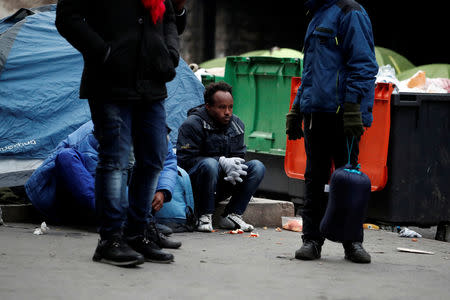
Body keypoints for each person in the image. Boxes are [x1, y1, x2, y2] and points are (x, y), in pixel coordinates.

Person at [55, 0, 180, 266]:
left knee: (154, 158)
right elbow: (67, 18)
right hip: (109, 82)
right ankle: (110, 239)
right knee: (115, 161)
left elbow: (170, 18)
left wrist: (170, 53)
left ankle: (137, 233)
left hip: (152, 81)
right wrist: (104, 52)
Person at [286, 0, 378, 263]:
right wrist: (297, 109)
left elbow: (363, 64)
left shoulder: (351, 12)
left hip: (342, 114)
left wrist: (352, 107)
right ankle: (312, 240)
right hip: (316, 114)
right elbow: (311, 72)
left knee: (348, 177)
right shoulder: (316, 14)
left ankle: (353, 243)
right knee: (314, 179)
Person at [24, 121, 182, 253]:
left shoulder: (153, 129)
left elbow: (168, 162)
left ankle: (138, 223)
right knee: (66, 156)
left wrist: (163, 190)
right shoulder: (97, 133)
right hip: (66, 197)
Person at [176, 82, 265, 232]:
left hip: (223, 182)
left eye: (230, 107)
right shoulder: (192, 124)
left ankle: (231, 215)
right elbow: (184, 161)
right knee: (210, 164)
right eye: (222, 107)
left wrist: (234, 167)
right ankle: (204, 215)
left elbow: (239, 155)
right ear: (208, 107)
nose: (227, 112)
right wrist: (221, 162)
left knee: (257, 166)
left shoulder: (237, 124)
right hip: (196, 185)